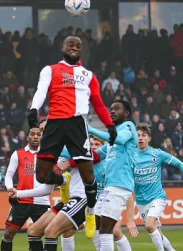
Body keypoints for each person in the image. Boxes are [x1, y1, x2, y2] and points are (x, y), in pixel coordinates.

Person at [26, 36, 117, 240]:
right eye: (70, 44)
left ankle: (91, 212)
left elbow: (99, 103)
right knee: (41, 175)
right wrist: (34, 108)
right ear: (62, 47)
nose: (74, 47)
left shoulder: (88, 75)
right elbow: (41, 90)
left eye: (78, 45)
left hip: (77, 125)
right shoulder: (50, 69)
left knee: (88, 177)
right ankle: (62, 181)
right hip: (55, 124)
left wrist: (110, 125)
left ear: (81, 50)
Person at [57, 135, 143, 251]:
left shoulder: (109, 163)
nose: (94, 146)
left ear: (103, 146)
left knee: (115, 232)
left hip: (106, 203)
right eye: (91, 144)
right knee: (67, 231)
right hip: (85, 204)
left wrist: (130, 219)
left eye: (97, 143)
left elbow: (128, 194)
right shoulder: (82, 163)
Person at [15, 145, 87, 251]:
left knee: (51, 231)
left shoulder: (76, 147)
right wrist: (19, 193)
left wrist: (68, 164)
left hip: (82, 198)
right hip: (67, 201)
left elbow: (89, 158)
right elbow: (47, 189)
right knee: (33, 231)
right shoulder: (56, 155)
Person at [85, 100, 137, 251]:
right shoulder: (110, 144)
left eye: (117, 108)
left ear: (127, 113)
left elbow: (119, 139)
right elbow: (95, 156)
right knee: (98, 228)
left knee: (106, 229)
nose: (112, 111)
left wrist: (90, 128)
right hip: (108, 188)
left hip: (120, 187)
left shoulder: (128, 127)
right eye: (111, 108)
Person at [0, 126, 59, 251]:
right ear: (28, 137)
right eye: (33, 134)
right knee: (9, 233)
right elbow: (9, 175)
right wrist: (10, 188)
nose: (36, 137)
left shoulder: (48, 155)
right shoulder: (18, 154)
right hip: (22, 200)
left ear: (41, 137)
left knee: (49, 233)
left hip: (42, 202)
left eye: (38, 134)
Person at [134, 123, 183, 251]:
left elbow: (179, 163)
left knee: (149, 225)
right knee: (155, 230)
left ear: (149, 138)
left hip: (157, 197)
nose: (140, 138)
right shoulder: (130, 155)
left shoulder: (157, 154)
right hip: (141, 201)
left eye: (143, 135)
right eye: (138, 135)